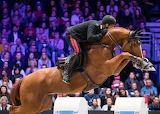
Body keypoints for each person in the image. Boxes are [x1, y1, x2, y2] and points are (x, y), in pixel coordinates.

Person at [62, 15, 116, 84]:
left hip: (81, 38)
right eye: (112, 26)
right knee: (78, 52)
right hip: (72, 35)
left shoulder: (102, 29)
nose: (113, 28)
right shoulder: (94, 25)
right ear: (107, 24)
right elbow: (90, 38)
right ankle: (66, 73)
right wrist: (101, 34)